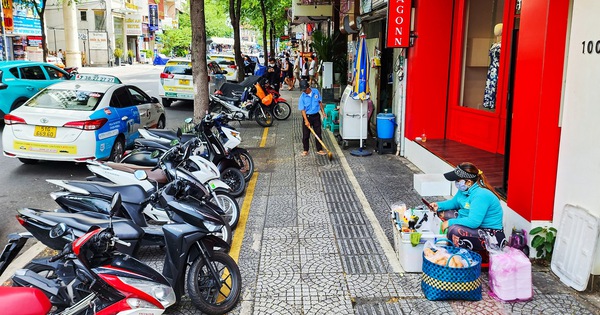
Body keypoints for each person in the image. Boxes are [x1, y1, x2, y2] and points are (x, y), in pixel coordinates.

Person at [430, 162, 506, 252]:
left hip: (491, 236)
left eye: (457, 181)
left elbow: (473, 222)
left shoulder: (481, 195)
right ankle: (450, 245)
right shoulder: (464, 190)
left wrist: (450, 222)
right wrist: (438, 206)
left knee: (454, 230)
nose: (456, 183)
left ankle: (457, 256)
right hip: (476, 228)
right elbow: (454, 203)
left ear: (469, 182)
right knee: (443, 213)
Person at [298, 79, 326, 156]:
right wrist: (306, 121)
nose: (304, 91)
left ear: (308, 87)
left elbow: (319, 102)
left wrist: (323, 112)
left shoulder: (316, 92)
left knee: (318, 133)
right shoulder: (302, 97)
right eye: (302, 90)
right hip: (307, 117)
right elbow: (302, 110)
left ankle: (319, 149)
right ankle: (305, 150)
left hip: (316, 116)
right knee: (306, 135)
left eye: (305, 89)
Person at [483, 23, 502, 109]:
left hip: (499, 68)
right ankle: (490, 103)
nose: (495, 30)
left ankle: (496, 104)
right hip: (492, 69)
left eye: (498, 28)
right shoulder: (493, 44)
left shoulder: (503, 45)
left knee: (497, 86)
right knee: (491, 84)